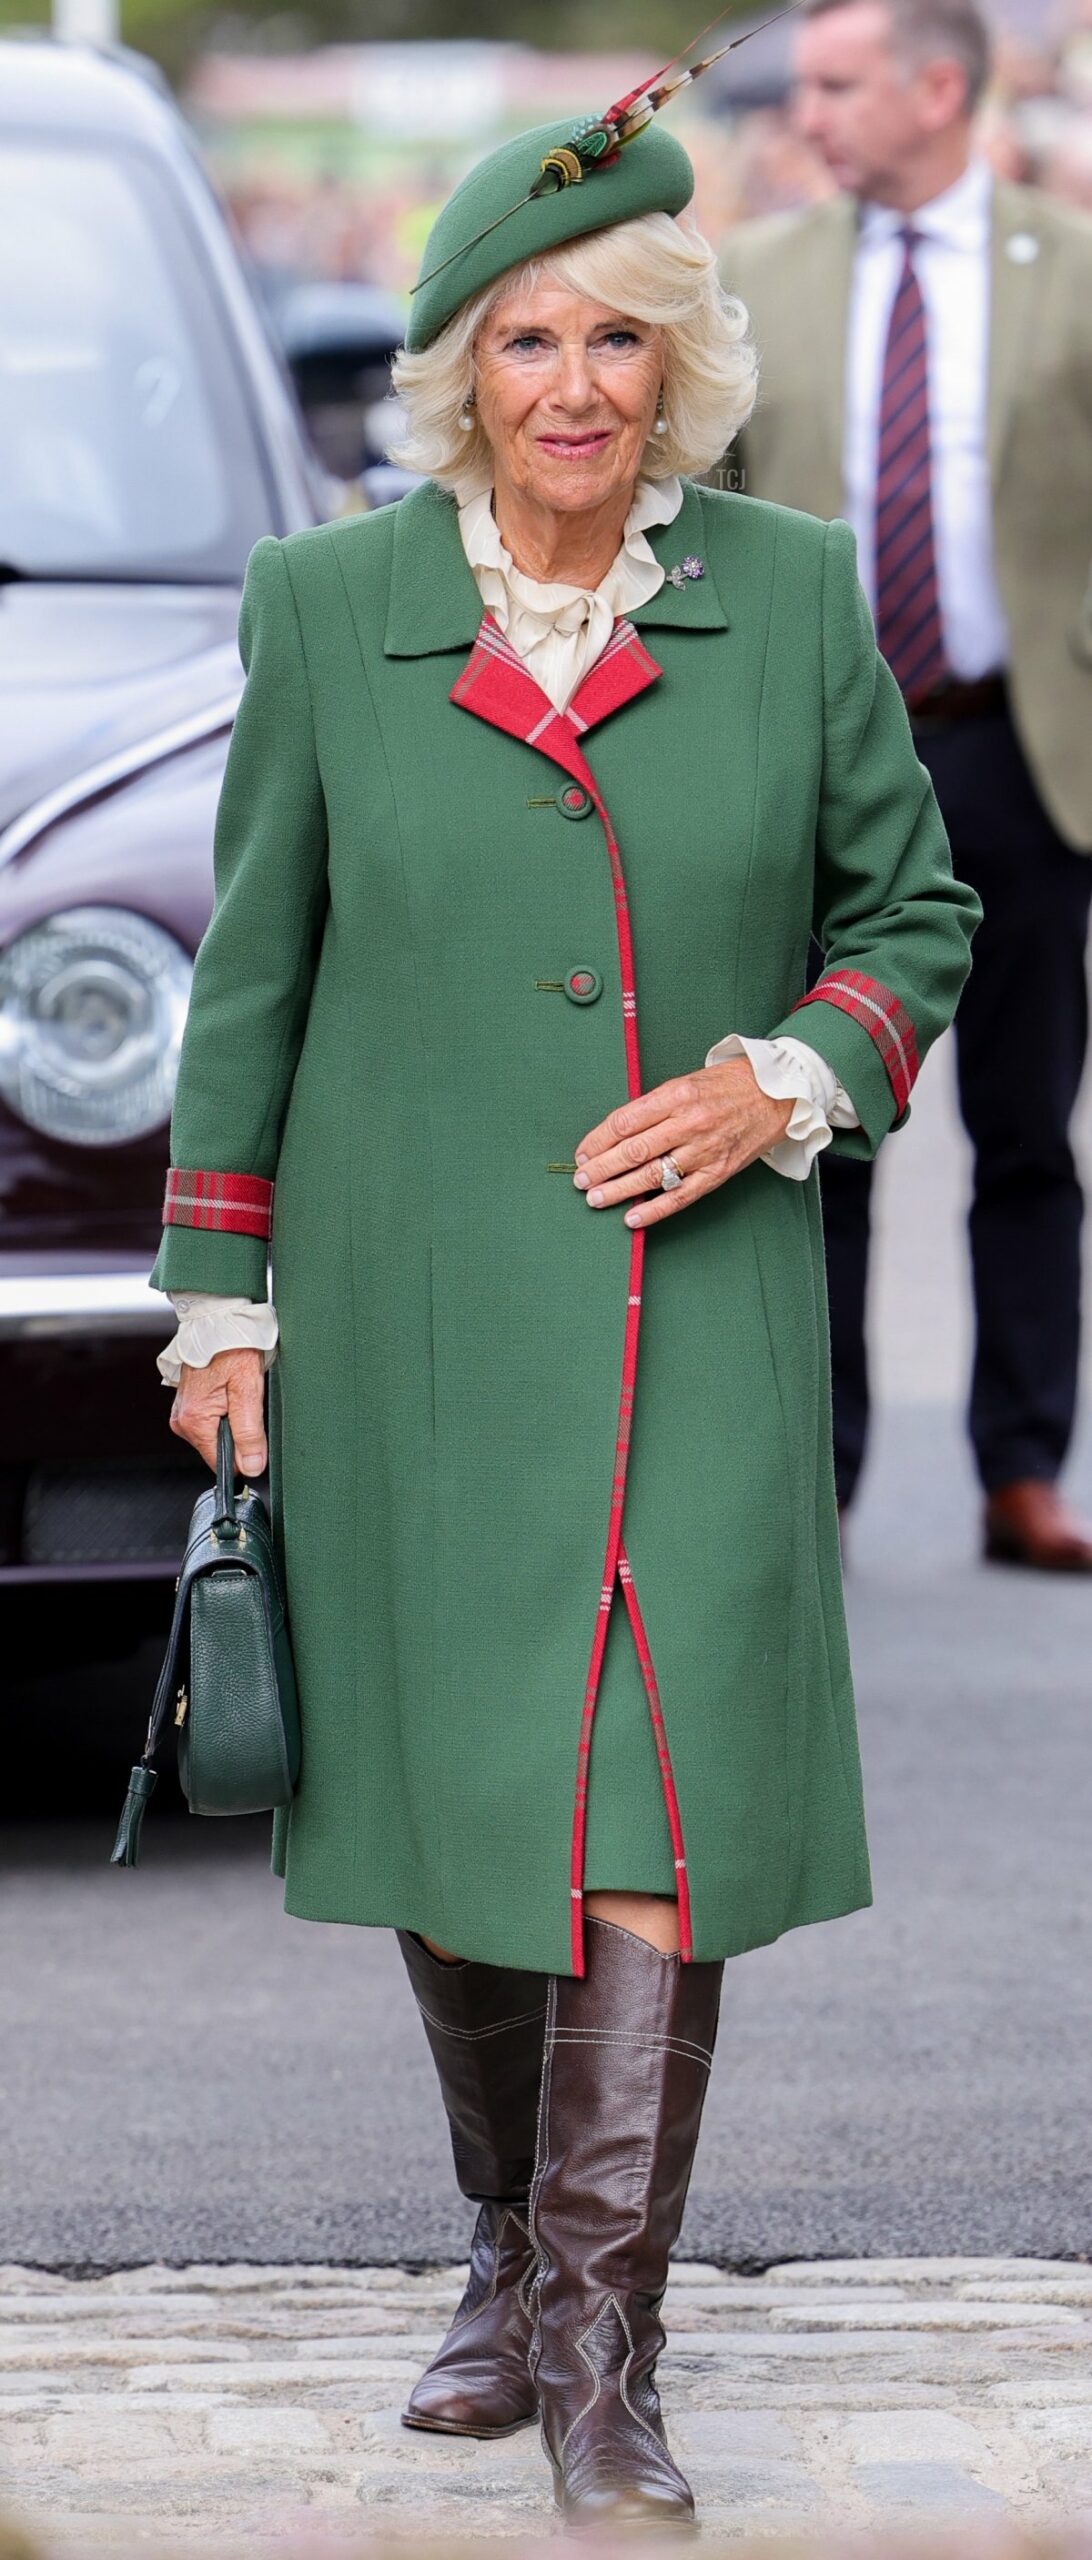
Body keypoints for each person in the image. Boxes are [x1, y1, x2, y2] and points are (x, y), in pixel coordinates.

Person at [150, 103, 977, 2531]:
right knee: (457, 1804)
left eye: (620, 333)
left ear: (683, 361)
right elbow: (256, 975)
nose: (574, 382)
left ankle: (607, 2343)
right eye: (525, 336)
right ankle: (504, 2247)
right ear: (458, 371)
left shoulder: (795, 591)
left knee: (650, 1818)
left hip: (693, 1316)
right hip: (409, 1326)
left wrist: (775, 1081)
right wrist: (220, 1291)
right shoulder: (328, 609)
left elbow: (911, 924)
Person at [725, 0, 1092, 1569]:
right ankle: (819, 1471)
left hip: (1021, 752)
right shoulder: (757, 279)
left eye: (835, 82)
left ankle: (1023, 1470)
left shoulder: (1070, 269)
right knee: (818, 1122)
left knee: (1026, 1130)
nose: (804, 113)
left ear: (940, 88)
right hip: (823, 766)